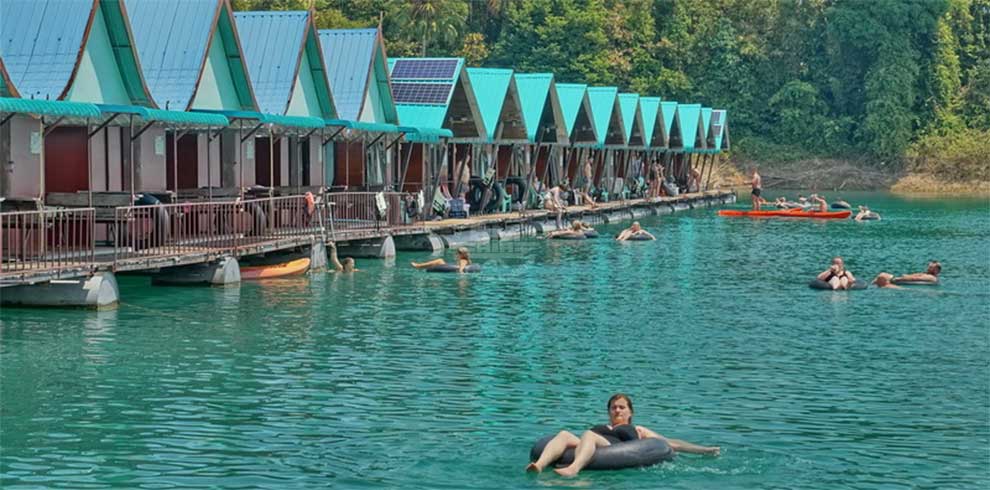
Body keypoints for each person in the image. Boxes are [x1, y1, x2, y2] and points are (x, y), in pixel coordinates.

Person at [525, 394, 720, 477]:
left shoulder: (639, 429)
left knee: (589, 434)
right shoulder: (603, 427)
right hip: (593, 443)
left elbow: (669, 443)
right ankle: (539, 465)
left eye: (621, 407)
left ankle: (573, 468)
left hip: (614, 448)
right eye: (613, 408)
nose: (617, 411)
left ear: (630, 412)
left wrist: (703, 450)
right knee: (564, 433)